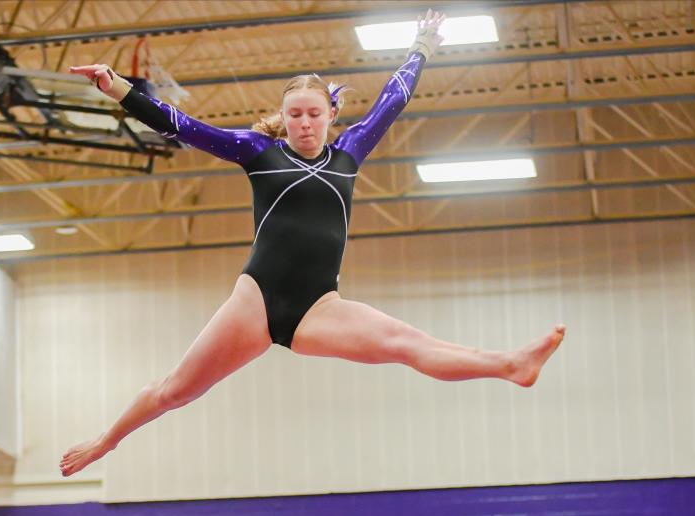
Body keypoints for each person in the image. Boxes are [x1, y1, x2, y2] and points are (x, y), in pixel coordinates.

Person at [61, 10, 565, 477]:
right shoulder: (257, 150)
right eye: (295, 114)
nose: (304, 123)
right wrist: (120, 89)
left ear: (330, 115)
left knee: (409, 345)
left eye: (313, 114)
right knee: (175, 390)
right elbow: (183, 126)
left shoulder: (350, 152)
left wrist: (421, 47)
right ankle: (106, 441)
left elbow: (395, 98)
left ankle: (511, 365)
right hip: (254, 300)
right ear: (284, 115)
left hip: (320, 307)